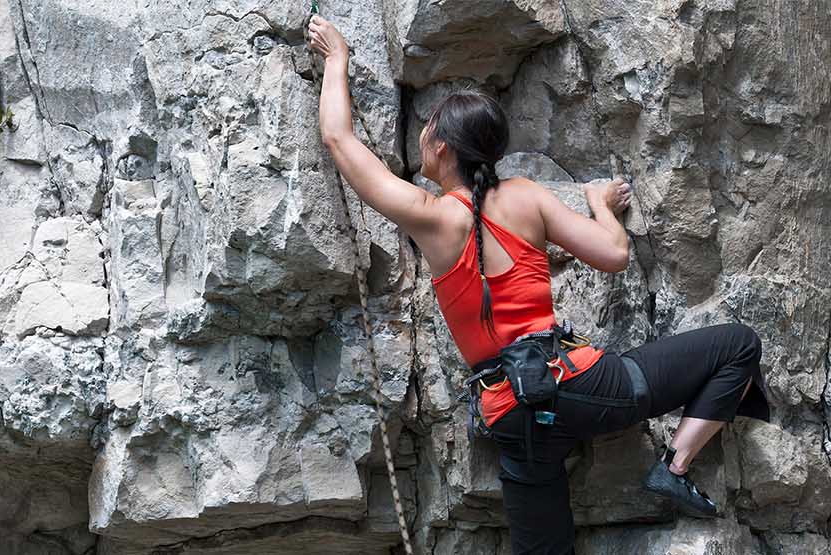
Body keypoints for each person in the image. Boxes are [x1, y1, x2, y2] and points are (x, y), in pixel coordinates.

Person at [306, 15, 772, 554]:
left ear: (443, 147)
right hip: (581, 384)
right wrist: (600, 205)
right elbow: (615, 254)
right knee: (738, 345)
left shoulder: (434, 218)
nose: (423, 135)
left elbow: (339, 139)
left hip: (511, 413)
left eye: (429, 128)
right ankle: (675, 467)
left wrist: (337, 58)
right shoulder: (525, 197)